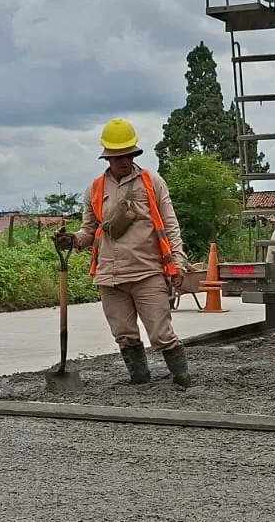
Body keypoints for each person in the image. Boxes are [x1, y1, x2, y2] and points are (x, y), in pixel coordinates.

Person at [54, 118, 194, 387]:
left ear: (134, 153)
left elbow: (170, 224)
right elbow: (88, 231)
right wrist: (71, 240)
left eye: (128, 155)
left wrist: (177, 262)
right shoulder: (95, 189)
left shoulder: (152, 182)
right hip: (110, 276)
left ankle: (182, 379)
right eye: (117, 156)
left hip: (147, 272)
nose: (123, 161)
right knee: (124, 334)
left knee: (161, 334)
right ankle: (139, 380)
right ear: (107, 158)